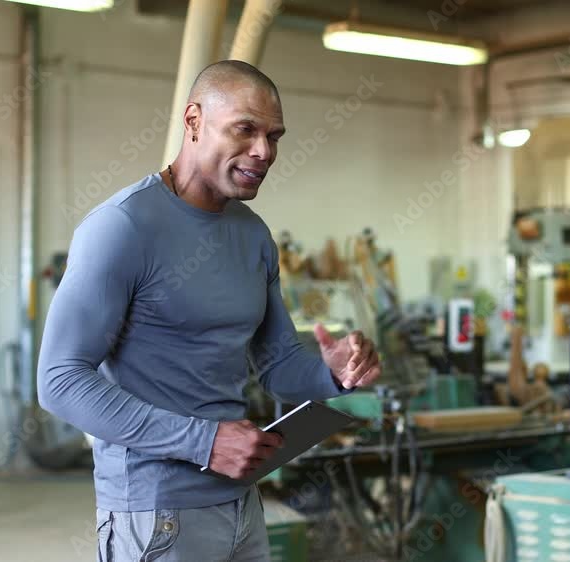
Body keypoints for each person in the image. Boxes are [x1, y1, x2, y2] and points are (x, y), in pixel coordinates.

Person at [37, 60, 382, 562]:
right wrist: (204, 442)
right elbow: (59, 380)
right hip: (155, 514)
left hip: (242, 502)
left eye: (274, 137)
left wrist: (331, 372)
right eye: (245, 129)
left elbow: (279, 365)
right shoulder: (123, 227)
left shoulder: (253, 235)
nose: (264, 152)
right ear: (194, 121)